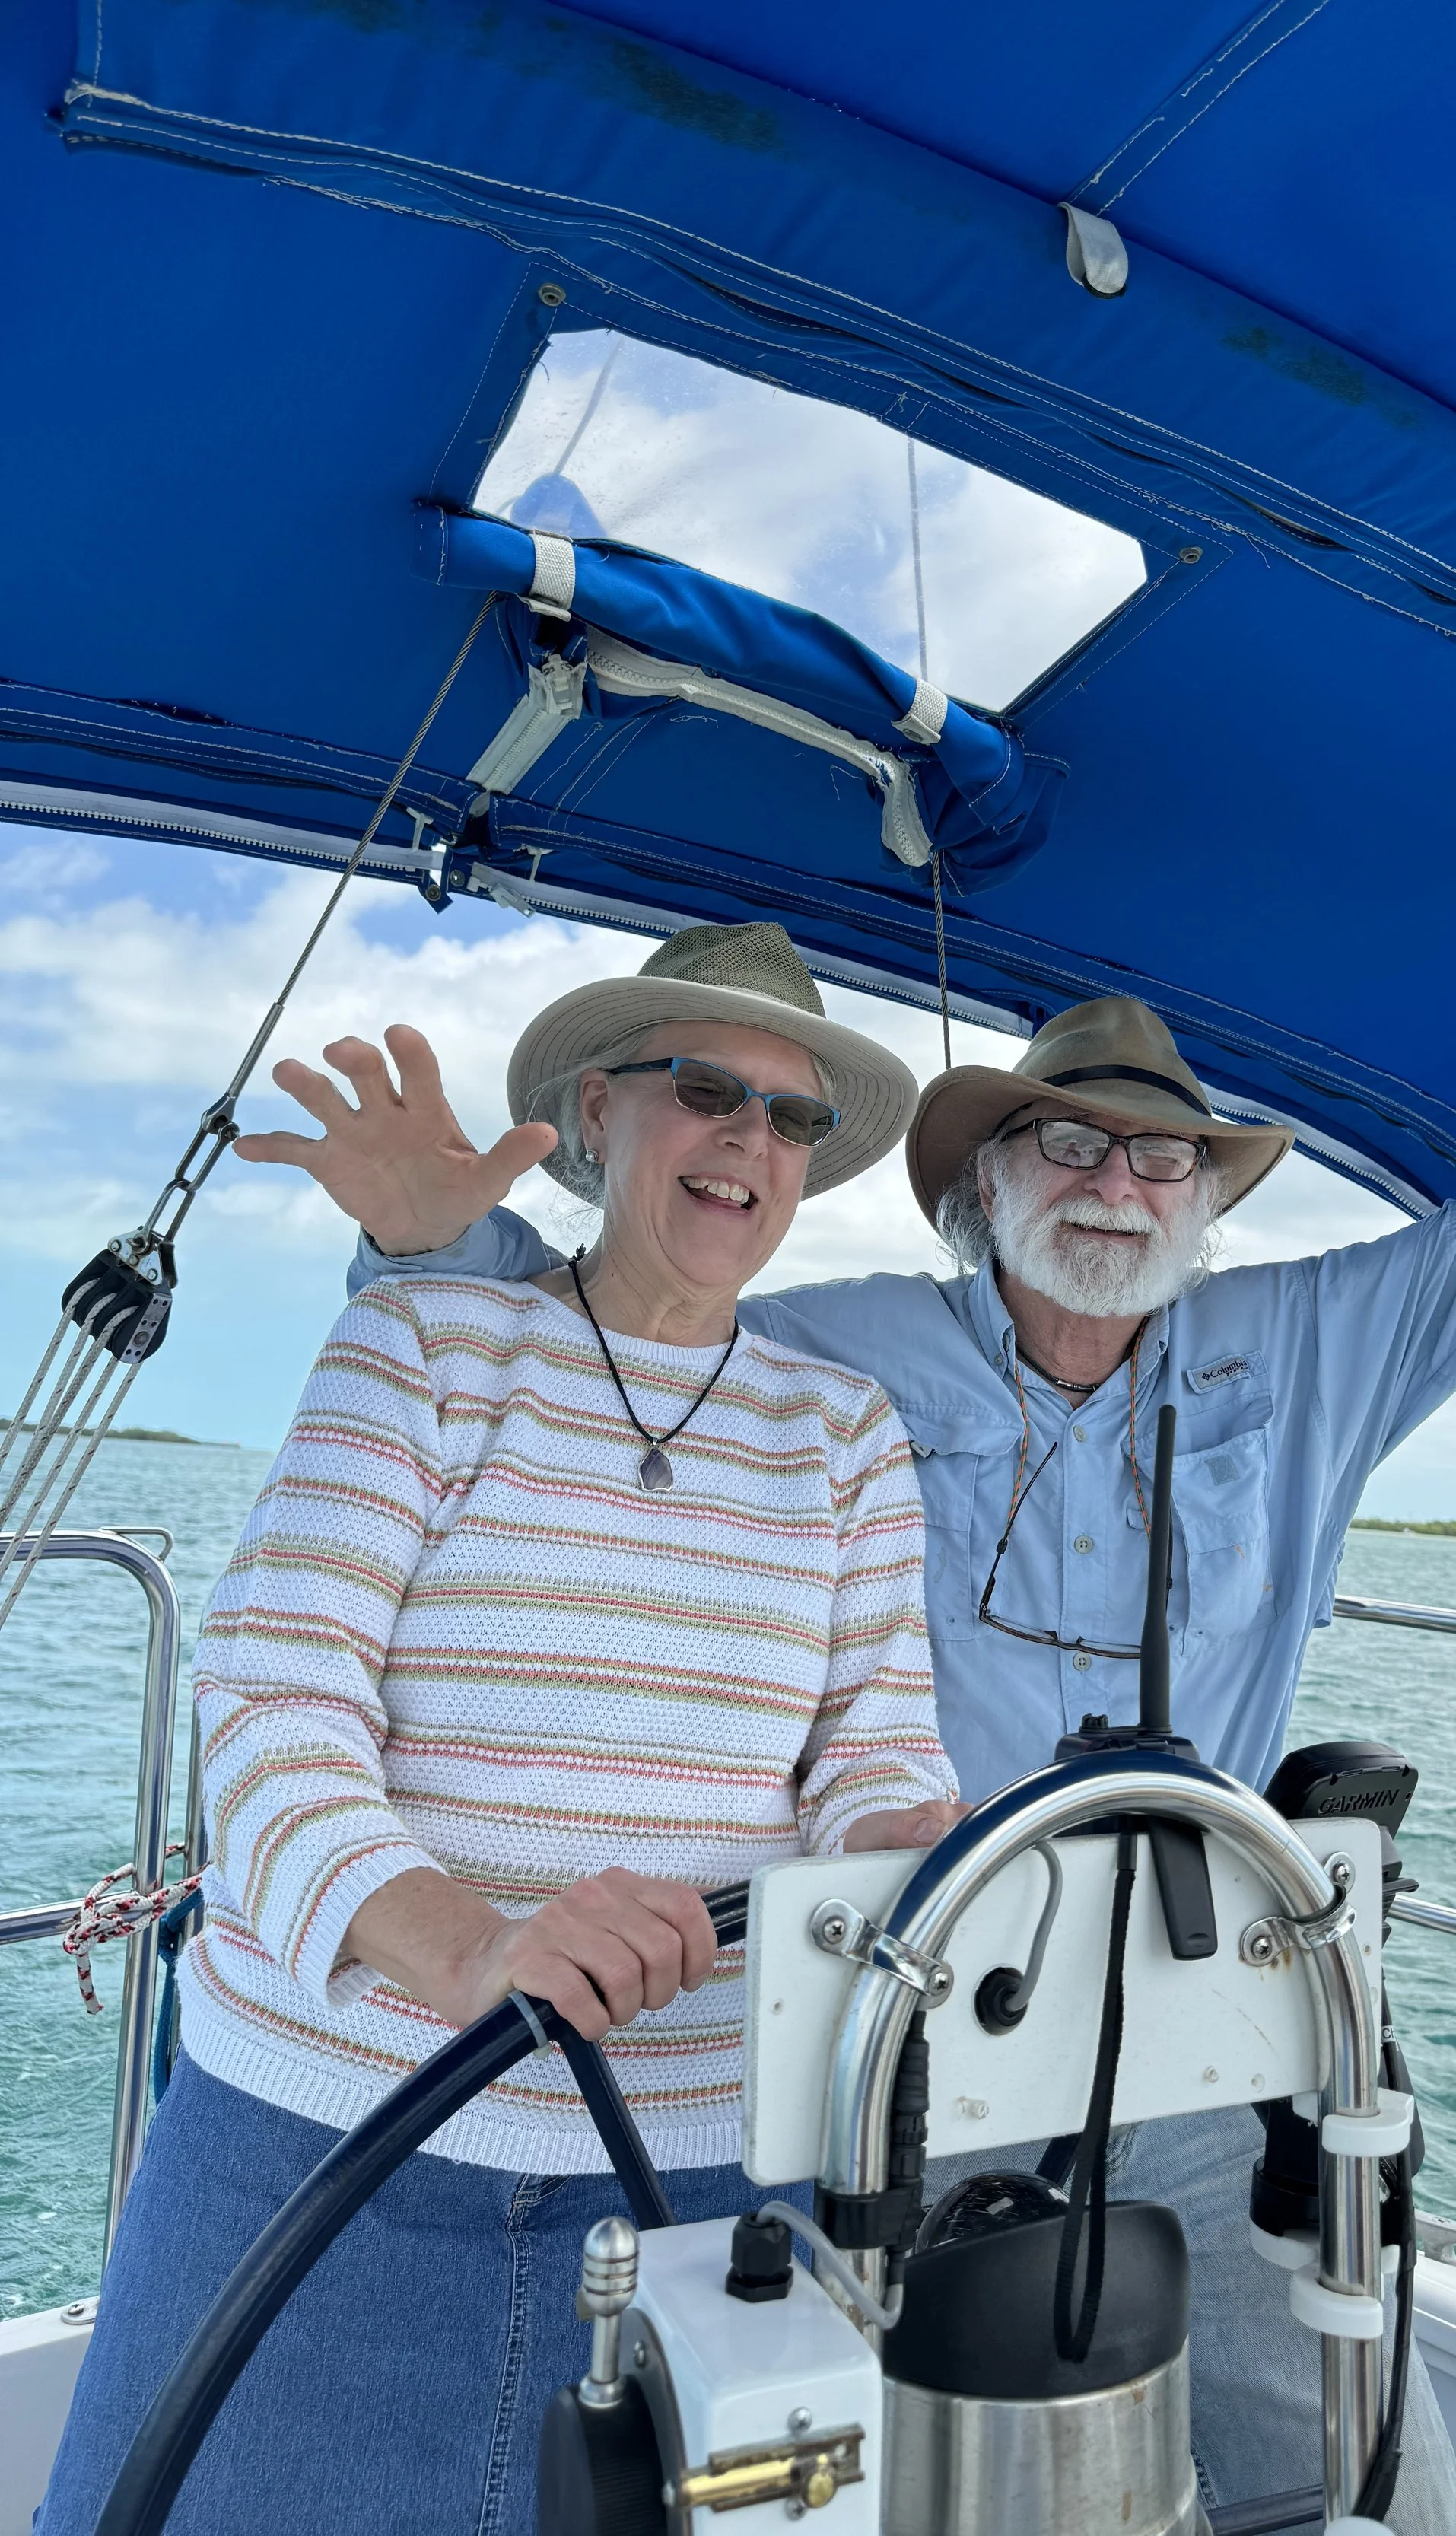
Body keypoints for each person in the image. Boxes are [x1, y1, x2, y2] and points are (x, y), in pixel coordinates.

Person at [237, 745, 1456, 2531]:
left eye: (1166, 1154)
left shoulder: (1322, 1346)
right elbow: (616, 1329)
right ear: (983, 1182)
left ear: (1205, 1200)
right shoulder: (836, 1348)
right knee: (828, 2462)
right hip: (903, 2016)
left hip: (1196, 2000)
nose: (1121, 1178)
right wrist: (435, 1248)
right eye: (1071, 1137)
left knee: (1356, 2462)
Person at [37, 924, 962, 2536]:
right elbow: (270, 1697)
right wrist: (474, 1955)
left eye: (790, 1118)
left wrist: (916, 1852)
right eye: (702, 1089)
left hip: (697, 2175)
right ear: (596, 1115)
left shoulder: (844, 1435)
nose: (748, 1139)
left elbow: (875, 1752)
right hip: (326, 2138)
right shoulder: (424, 1346)